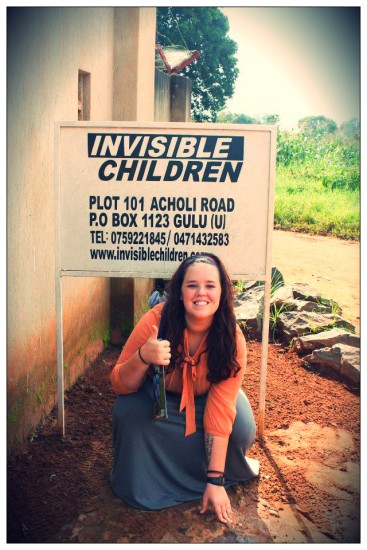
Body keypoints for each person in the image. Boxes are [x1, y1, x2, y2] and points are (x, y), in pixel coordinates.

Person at [110, 253, 258, 524]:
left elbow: (221, 408)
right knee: (128, 413)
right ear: (179, 292)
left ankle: (207, 478)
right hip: (160, 400)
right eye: (192, 285)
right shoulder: (156, 321)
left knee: (240, 428)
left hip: (209, 401)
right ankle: (147, 481)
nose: (201, 293)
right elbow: (119, 383)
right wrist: (143, 356)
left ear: (222, 292)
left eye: (210, 286)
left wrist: (215, 481)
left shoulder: (231, 338)